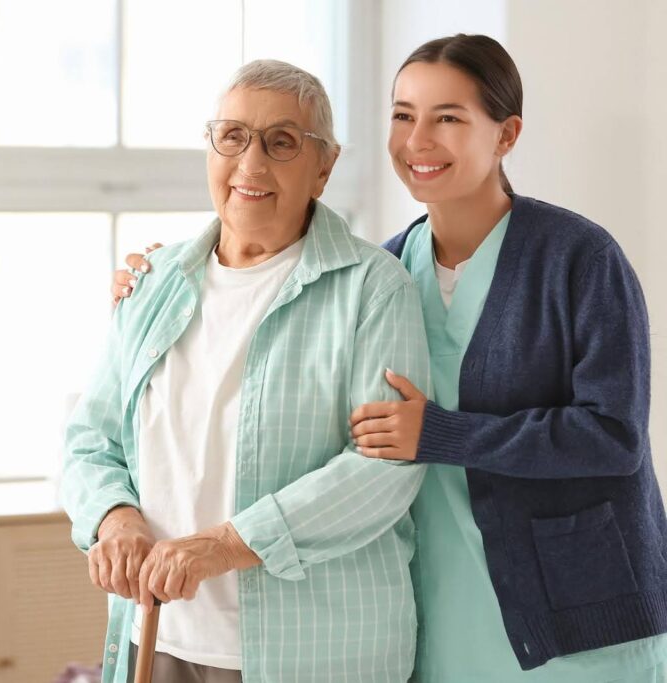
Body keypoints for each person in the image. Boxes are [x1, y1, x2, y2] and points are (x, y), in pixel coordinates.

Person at [113, 35, 667, 683]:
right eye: (403, 116)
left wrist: (441, 433)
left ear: (506, 134)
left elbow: (613, 436)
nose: (417, 140)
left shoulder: (579, 258)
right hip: (443, 608)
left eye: (448, 118)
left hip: (574, 614)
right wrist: (152, 283)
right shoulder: (383, 270)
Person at [61, 60, 431, 683]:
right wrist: (114, 518)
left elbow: (383, 469)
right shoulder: (154, 282)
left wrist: (223, 546)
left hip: (314, 654)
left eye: (281, 142)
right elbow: (91, 440)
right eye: (232, 137)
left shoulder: (374, 289)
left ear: (325, 167)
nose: (251, 164)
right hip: (157, 639)